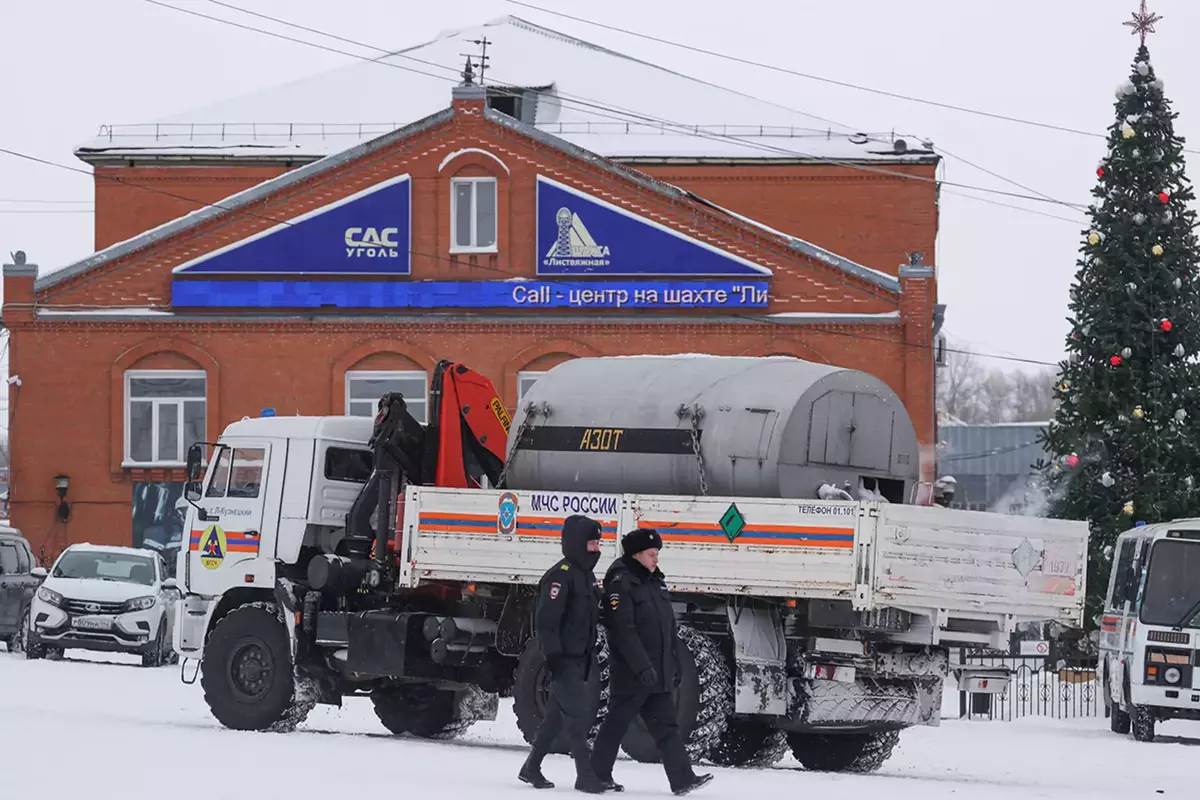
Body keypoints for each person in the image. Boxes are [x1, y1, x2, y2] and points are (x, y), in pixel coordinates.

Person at [591, 529, 713, 796]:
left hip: (657, 672)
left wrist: (673, 664)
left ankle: (682, 779)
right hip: (632, 674)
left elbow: (668, 628)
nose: (655, 559)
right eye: (651, 554)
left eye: (657, 553)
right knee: (616, 725)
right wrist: (641, 667)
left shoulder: (654, 583)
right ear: (636, 554)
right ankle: (595, 776)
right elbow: (623, 630)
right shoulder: (622, 583)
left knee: (667, 727)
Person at [519, 514, 609, 794]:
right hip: (563, 659)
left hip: (581, 658)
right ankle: (585, 774)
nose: (596, 549)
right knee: (577, 716)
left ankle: (531, 767)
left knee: (556, 716)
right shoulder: (561, 576)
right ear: (577, 544)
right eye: (592, 544)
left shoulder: (586, 576)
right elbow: (546, 622)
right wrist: (553, 657)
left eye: (597, 544)